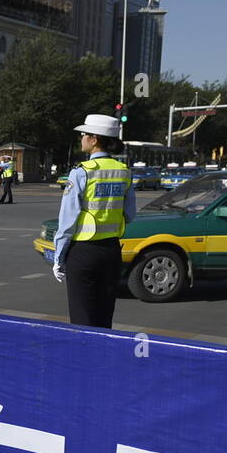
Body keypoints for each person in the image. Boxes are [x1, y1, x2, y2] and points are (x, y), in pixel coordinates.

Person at [52, 114, 135, 329]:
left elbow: (67, 221)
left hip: (84, 252)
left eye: (83, 135)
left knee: (82, 319)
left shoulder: (82, 172)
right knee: (104, 317)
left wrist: (58, 257)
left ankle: (83, 360)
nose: (81, 138)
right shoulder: (123, 172)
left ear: (94, 139)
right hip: (111, 251)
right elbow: (130, 214)